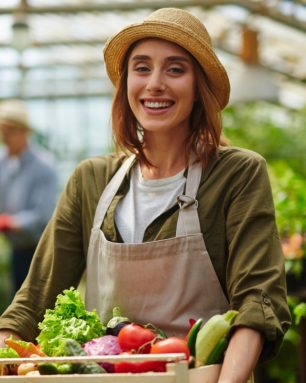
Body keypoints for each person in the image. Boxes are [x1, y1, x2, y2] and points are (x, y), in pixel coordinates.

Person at [0, 8, 290, 382]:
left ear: (198, 88)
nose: (155, 83)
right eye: (141, 68)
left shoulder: (236, 174)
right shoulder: (91, 181)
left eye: (175, 69)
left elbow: (258, 300)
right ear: (126, 85)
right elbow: (33, 303)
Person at [0, 99, 57, 294]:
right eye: (3, 130)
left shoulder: (44, 165)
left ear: (24, 132)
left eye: (10, 131)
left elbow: (42, 214)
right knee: (17, 298)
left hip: (39, 250)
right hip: (16, 248)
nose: (5, 136)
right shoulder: (3, 162)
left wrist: (10, 222)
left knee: (38, 302)